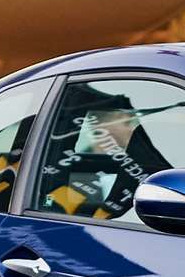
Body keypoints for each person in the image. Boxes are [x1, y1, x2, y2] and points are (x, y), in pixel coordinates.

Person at [36, 83, 172, 218]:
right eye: (127, 122)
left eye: (135, 122)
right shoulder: (54, 167)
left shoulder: (147, 172)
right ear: (98, 125)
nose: (134, 129)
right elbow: (48, 204)